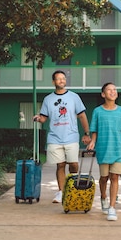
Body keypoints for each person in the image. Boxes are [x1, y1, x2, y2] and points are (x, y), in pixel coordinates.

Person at [33, 70, 91, 203]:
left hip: (71, 136)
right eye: (59, 79)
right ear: (53, 82)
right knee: (60, 165)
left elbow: (82, 116)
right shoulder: (48, 99)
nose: (62, 81)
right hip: (54, 138)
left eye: (63, 78)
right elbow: (44, 118)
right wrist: (38, 118)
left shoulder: (74, 97)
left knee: (74, 164)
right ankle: (61, 192)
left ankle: (73, 187)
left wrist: (86, 134)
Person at [87, 82, 121, 221]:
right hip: (103, 149)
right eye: (109, 90)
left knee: (115, 177)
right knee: (104, 177)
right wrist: (93, 141)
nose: (113, 92)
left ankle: (112, 208)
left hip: (118, 149)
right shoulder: (97, 111)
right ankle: (103, 197)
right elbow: (94, 130)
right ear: (103, 94)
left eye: (115, 89)